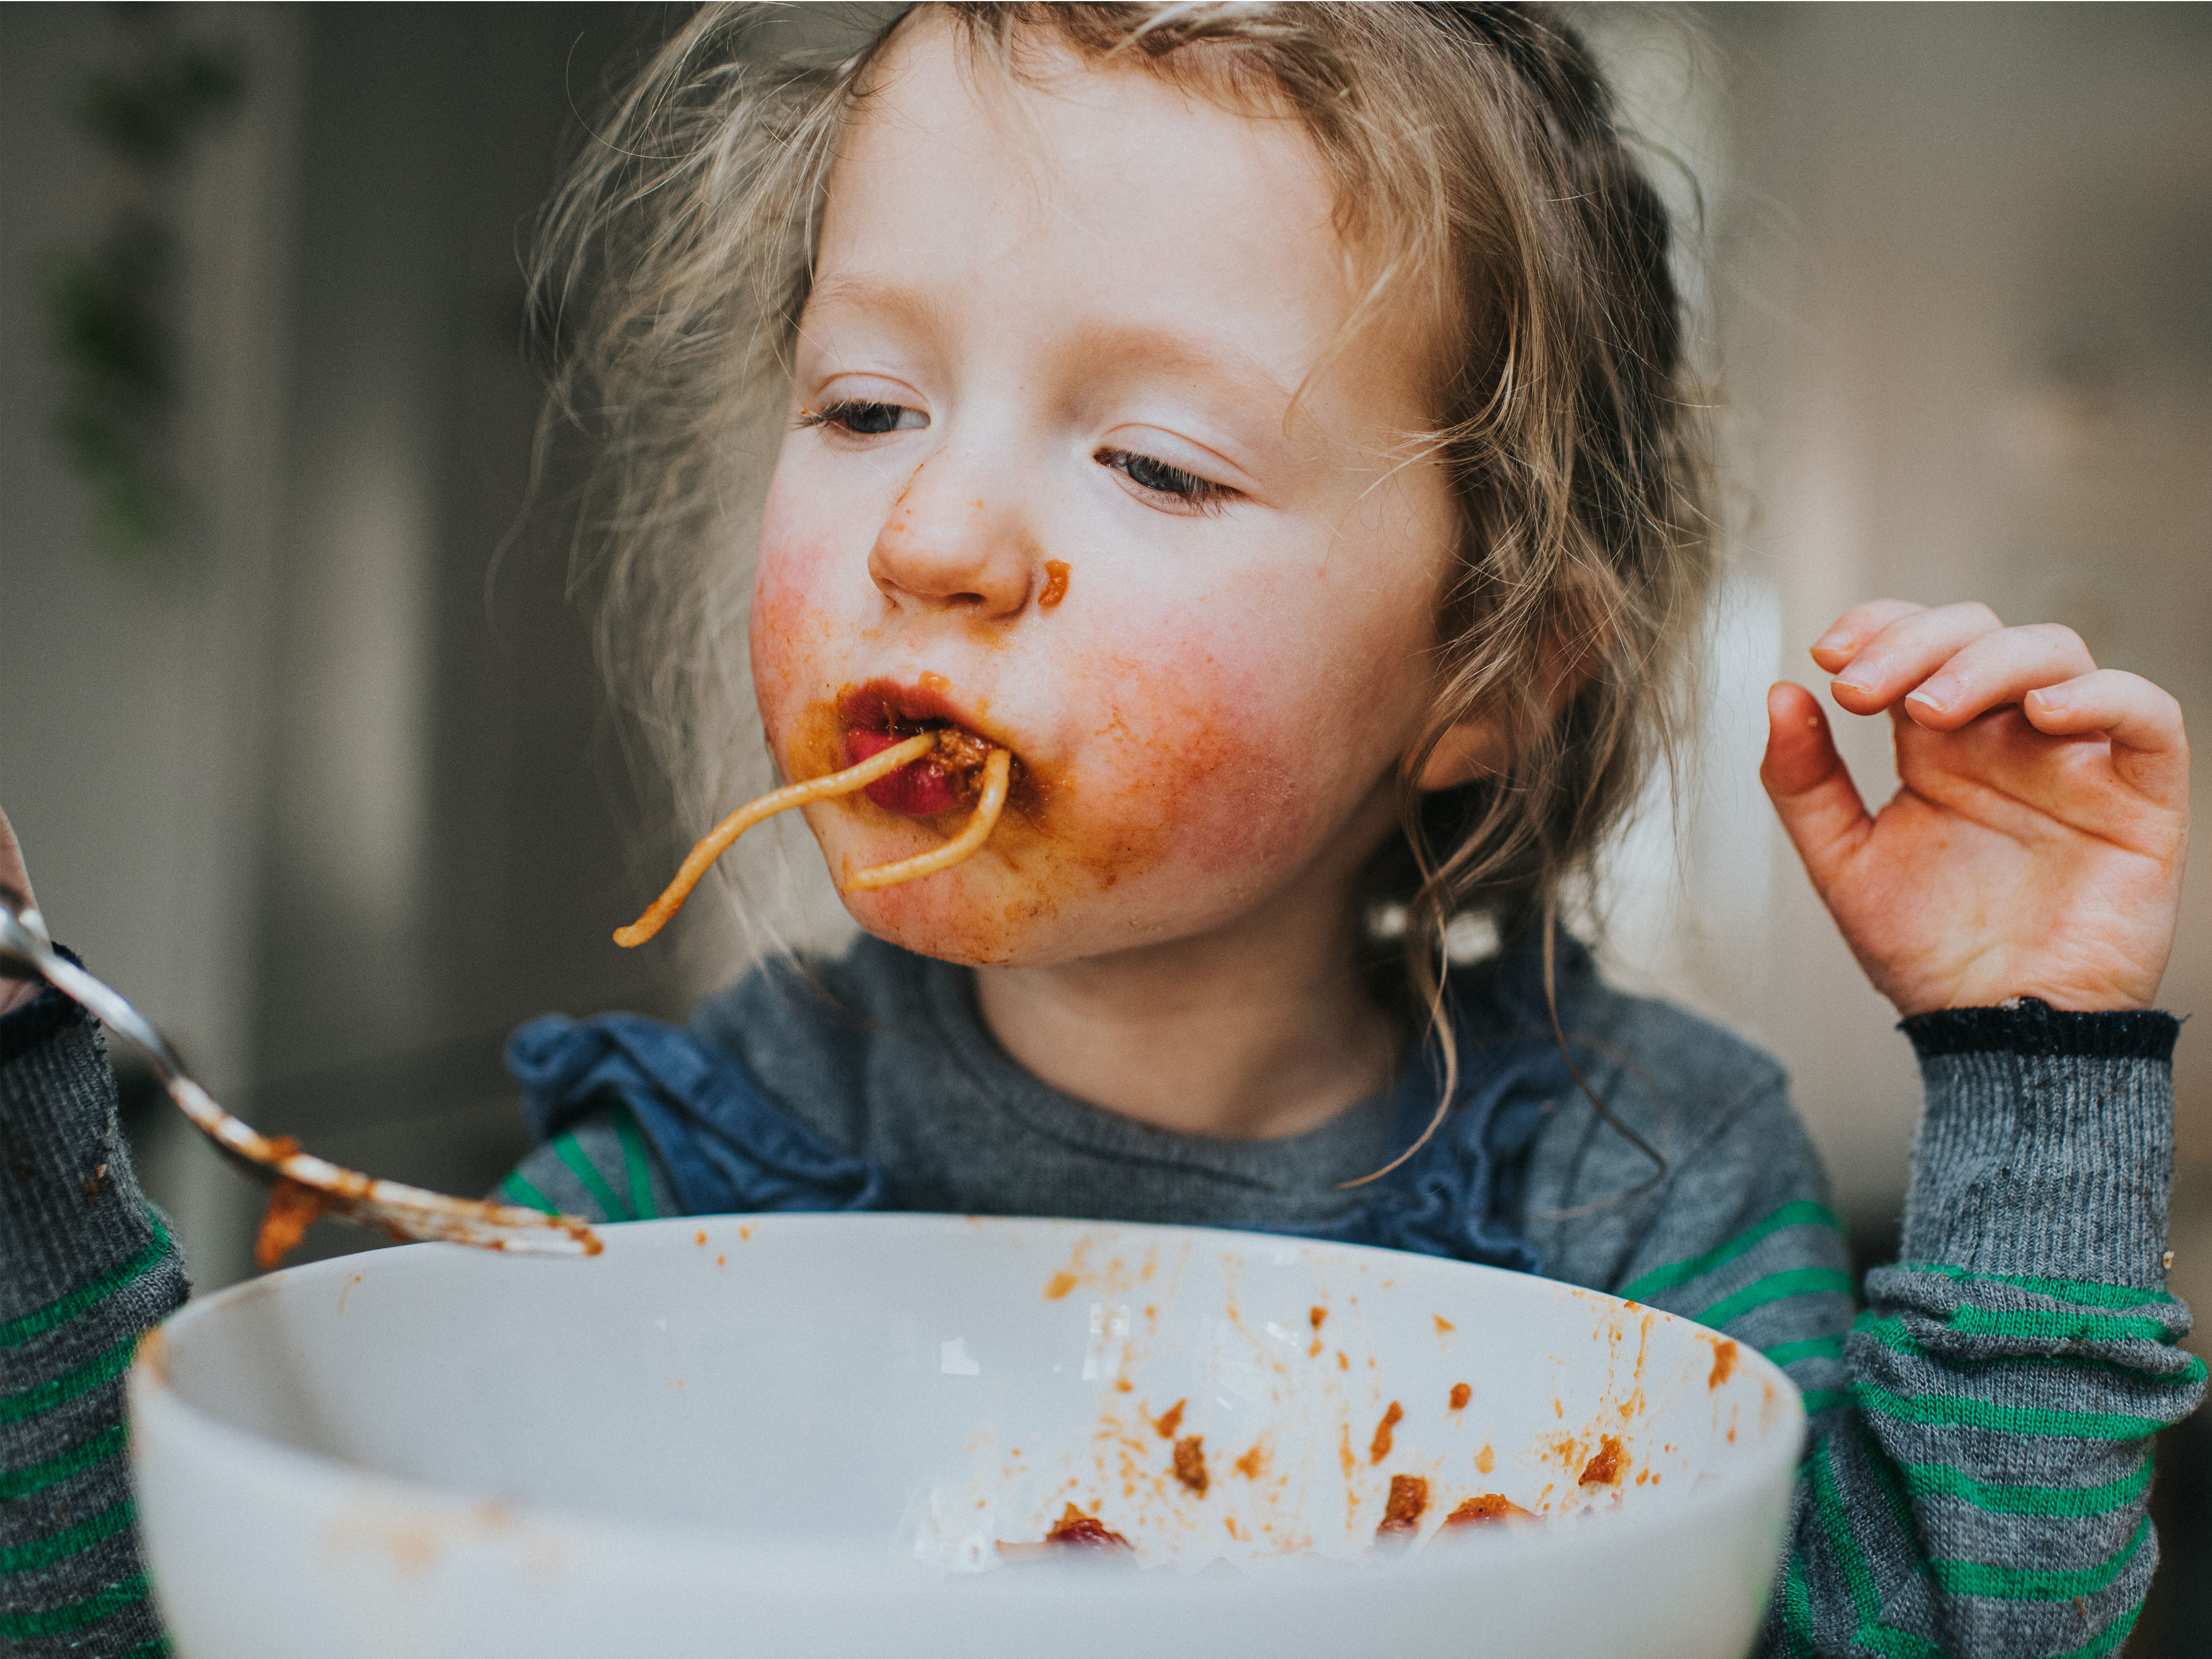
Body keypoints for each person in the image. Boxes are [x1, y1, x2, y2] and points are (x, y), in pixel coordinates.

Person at [2, 6, 2198, 1656]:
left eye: (1153, 463)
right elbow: (147, 1605)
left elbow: (1947, 1630)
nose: (933, 531)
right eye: (866, 407)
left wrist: (2031, 1064)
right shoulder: (685, 1175)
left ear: (1481, 678)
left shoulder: (1629, 1182)